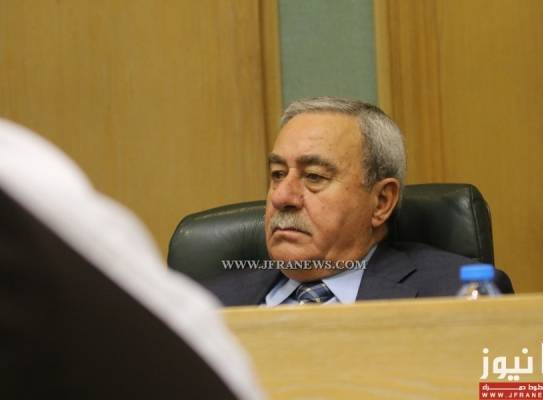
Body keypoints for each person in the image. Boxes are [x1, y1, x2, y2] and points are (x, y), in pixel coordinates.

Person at [0, 119, 264, 400]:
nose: (282, 196)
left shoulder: (24, 202)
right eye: (277, 175)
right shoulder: (217, 297)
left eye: (304, 176)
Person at [203, 97, 513, 306]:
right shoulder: (207, 305)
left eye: (314, 177)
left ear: (381, 202)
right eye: (277, 174)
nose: (282, 196)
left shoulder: (455, 296)